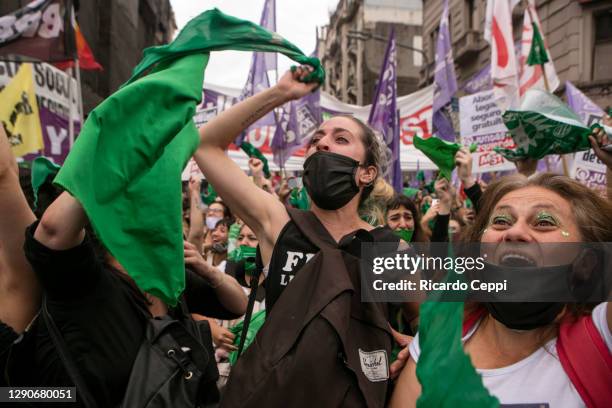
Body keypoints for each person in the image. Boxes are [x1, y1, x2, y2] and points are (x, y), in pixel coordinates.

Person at [194, 66, 409, 407]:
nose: (322, 142)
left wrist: (418, 347)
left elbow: (441, 323)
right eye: (316, 139)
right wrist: (281, 93)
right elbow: (205, 145)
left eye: (341, 139)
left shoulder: (389, 248)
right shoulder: (279, 223)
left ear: (367, 173)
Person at [390, 172, 612, 407]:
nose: (514, 232)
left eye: (544, 222)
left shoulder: (601, 336)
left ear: (587, 261)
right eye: (501, 221)